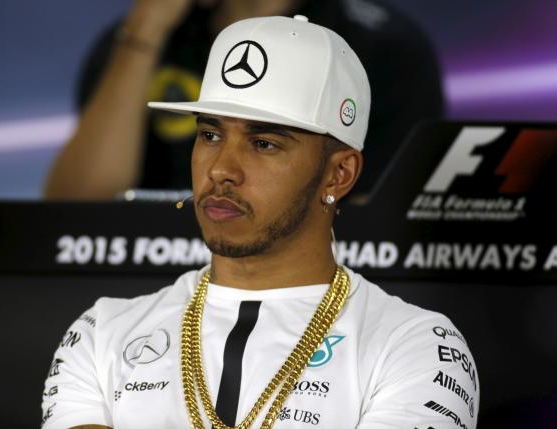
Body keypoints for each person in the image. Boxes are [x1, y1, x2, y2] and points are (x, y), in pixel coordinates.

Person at [41, 16, 477, 429]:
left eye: (264, 143)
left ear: (338, 174)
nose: (220, 169)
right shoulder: (102, 334)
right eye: (210, 134)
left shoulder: (415, 346)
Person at [43, 0, 445, 200]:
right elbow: (75, 206)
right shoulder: (142, 36)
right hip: (150, 278)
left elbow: (383, 221)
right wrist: (144, 33)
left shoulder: (382, 45)